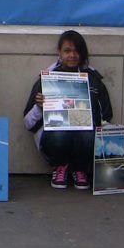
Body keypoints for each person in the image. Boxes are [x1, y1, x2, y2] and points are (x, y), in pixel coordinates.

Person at [23, 30, 113, 190]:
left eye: (77, 51)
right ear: (59, 52)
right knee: (60, 132)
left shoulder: (94, 81)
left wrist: (117, 144)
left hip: (86, 139)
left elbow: (106, 117)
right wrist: (39, 107)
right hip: (54, 139)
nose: (72, 55)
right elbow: (28, 124)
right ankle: (60, 167)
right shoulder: (46, 79)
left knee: (88, 133)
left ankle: (81, 169)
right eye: (67, 51)